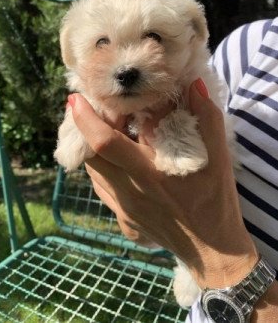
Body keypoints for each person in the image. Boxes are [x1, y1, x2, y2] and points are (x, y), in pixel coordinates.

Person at [66, 17, 278, 322]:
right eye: (103, 43)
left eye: (153, 36)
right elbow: (163, 216)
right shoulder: (251, 46)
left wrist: (219, 264)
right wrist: (144, 222)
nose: (126, 62)